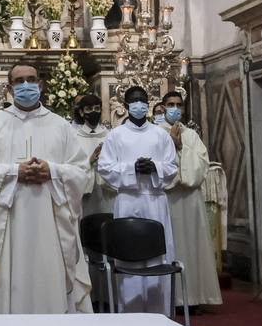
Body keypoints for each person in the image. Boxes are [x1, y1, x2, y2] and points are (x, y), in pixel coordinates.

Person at [0, 64, 93, 314]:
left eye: (32, 79)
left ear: (41, 84)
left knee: (50, 275)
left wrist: (52, 171)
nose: (26, 86)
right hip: (9, 225)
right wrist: (15, 172)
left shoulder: (60, 126)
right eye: (20, 81)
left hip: (51, 223)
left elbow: (81, 172)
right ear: (10, 88)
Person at [99, 86, 179, 314]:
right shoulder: (115, 135)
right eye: (133, 100)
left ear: (149, 103)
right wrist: (131, 169)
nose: (139, 104)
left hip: (155, 200)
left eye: (143, 100)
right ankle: (129, 312)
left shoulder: (160, 134)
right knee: (128, 257)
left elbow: (172, 166)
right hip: (127, 199)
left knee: (157, 257)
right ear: (125, 106)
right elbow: (104, 167)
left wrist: (155, 167)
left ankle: (159, 313)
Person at [159, 91, 222, 308]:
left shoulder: (192, 136)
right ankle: (171, 297)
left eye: (178, 105)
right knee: (172, 244)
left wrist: (179, 147)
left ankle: (194, 297)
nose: (174, 108)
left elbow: (200, 165)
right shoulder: (156, 134)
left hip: (190, 200)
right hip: (169, 199)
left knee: (193, 246)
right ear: (162, 107)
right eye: (170, 104)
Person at [71, 93, 112, 217]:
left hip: (106, 190)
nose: (93, 112)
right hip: (85, 192)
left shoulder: (110, 135)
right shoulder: (74, 136)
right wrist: (89, 161)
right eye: (89, 109)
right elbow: (70, 165)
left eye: (97, 108)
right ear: (82, 112)